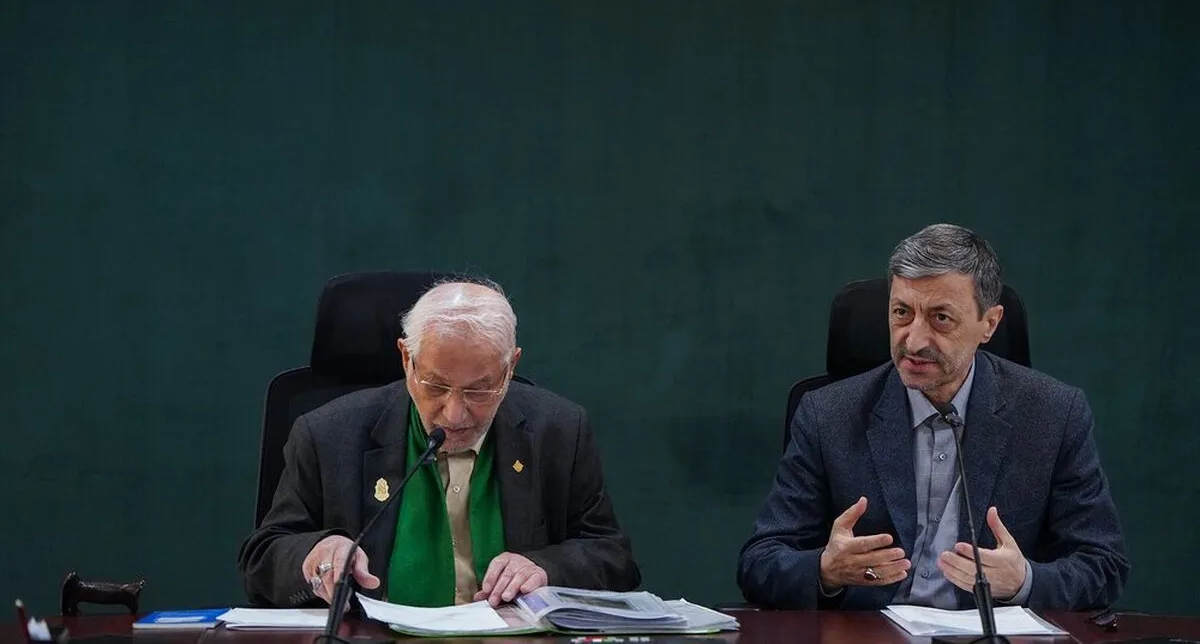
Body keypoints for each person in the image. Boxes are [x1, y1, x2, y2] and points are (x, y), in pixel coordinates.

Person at [737, 223, 1128, 610]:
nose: (914, 340)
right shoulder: (828, 415)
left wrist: (1023, 581)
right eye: (902, 313)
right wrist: (826, 570)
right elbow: (759, 564)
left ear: (989, 324)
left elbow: (1104, 566)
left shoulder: (1053, 414)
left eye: (941, 318)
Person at [239, 280, 640, 607]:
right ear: (406, 359)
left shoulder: (558, 430)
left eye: (479, 390)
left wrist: (546, 568)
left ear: (510, 367)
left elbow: (613, 558)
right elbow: (263, 558)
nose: (455, 413)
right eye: (435, 385)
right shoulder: (328, 434)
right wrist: (316, 554)